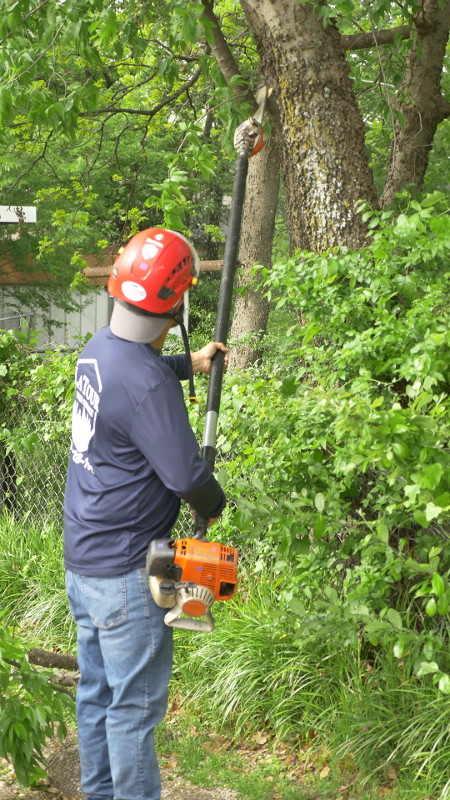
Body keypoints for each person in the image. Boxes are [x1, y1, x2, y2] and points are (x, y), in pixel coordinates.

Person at [64, 228, 227, 800]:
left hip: (83, 565)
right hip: (128, 575)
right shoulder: (148, 383)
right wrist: (215, 503)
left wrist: (191, 363)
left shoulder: (98, 349)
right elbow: (186, 477)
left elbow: (134, 388)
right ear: (176, 302)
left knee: (98, 695)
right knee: (132, 710)